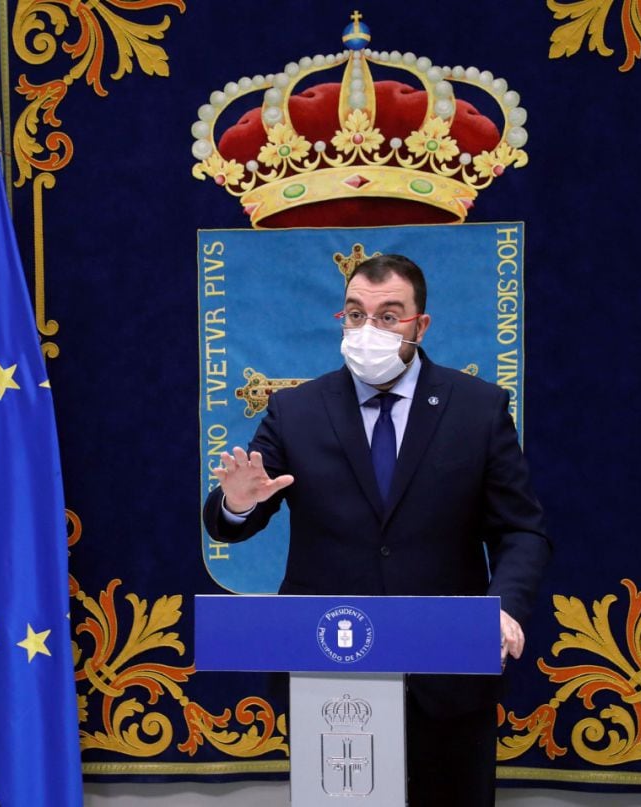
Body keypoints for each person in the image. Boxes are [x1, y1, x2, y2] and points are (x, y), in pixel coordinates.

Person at [202, 253, 551, 806]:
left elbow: (521, 531)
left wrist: (502, 606)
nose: (370, 329)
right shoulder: (296, 411)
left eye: (389, 316)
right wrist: (238, 503)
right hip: (330, 671)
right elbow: (233, 520)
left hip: (450, 672)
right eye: (357, 314)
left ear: (421, 324)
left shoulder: (477, 409)